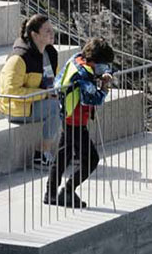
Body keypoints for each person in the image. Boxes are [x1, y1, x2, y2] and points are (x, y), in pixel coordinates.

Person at [46, 37, 115, 208]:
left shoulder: (76, 59)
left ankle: (51, 193)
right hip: (76, 122)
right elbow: (93, 99)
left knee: (63, 156)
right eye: (103, 64)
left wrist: (101, 76)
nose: (104, 68)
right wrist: (105, 87)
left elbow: (60, 80)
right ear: (93, 61)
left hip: (66, 116)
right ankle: (67, 191)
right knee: (91, 160)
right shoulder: (83, 75)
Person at [0, 14, 59, 168]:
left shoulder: (50, 53)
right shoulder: (19, 59)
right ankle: (42, 154)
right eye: (47, 31)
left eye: (52, 29)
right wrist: (43, 94)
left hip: (38, 100)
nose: (52, 33)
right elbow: (11, 92)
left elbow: (54, 79)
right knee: (56, 107)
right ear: (34, 34)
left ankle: (72, 149)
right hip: (16, 107)